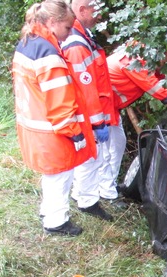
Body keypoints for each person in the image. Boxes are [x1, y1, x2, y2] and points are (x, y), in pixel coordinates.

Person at [12, 0, 96, 237]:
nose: (69, 33)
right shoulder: (48, 53)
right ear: (52, 22)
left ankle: (48, 211)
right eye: (68, 28)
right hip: (52, 129)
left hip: (34, 124)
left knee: (51, 174)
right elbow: (59, 100)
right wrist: (74, 131)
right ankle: (56, 221)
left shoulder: (29, 44)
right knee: (60, 174)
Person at [99, 44, 167, 202]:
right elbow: (162, 95)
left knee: (117, 143)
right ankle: (105, 192)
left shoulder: (144, 54)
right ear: (159, 54)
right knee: (105, 150)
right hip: (100, 106)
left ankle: (108, 185)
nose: (166, 61)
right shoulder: (135, 65)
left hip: (108, 106)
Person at [59, 0, 114, 220]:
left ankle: (82, 195)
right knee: (91, 158)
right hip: (87, 114)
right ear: (82, 10)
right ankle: (87, 201)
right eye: (96, 11)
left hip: (89, 112)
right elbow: (86, 88)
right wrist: (98, 122)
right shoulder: (77, 45)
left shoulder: (83, 38)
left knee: (90, 158)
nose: (99, 16)